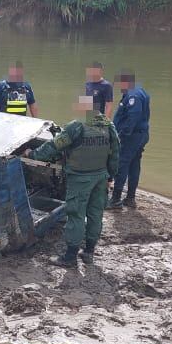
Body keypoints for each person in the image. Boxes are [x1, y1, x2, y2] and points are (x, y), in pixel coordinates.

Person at [26, 96, 120, 267]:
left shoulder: (76, 127)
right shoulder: (109, 126)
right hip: (100, 178)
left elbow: (53, 146)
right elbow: (115, 154)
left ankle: (70, 257)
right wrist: (111, 177)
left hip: (80, 178)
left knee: (76, 214)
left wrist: (31, 155)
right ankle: (89, 252)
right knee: (95, 214)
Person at [108, 71, 150, 210]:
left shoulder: (133, 96)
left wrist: (122, 135)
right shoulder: (139, 90)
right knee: (134, 164)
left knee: (122, 164)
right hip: (140, 135)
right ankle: (130, 198)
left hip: (131, 137)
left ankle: (115, 199)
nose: (119, 88)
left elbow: (134, 116)